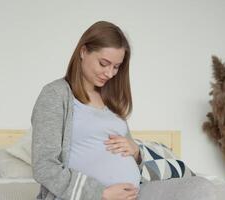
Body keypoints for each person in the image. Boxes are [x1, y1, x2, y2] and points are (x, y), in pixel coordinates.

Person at [31, 21, 142, 200]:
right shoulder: (56, 94)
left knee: (198, 187)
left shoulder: (112, 100)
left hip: (133, 195)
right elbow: (44, 166)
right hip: (88, 197)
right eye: (103, 63)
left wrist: (137, 152)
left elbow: (124, 153)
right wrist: (100, 194)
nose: (110, 73)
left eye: (116, 67)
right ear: (83, 52)